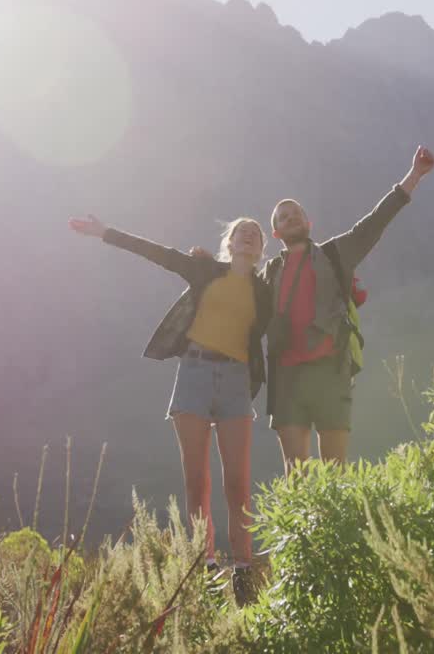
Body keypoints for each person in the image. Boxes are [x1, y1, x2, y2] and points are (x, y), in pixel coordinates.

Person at [68, 213, 271, 604]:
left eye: (256, 235)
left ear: (261, 250)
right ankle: (205, 569)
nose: (248, 236)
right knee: (197, 481)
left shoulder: (264, 292)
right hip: (193, 374)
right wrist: (104, 232)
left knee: (238, 484)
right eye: (242, 232)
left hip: (235, 383)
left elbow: (292, 314)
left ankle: (243, 573)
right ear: (229, 243)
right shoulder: (206, 270)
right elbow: (157, 253)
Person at [263, 145, 434, 472]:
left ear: (307, 221)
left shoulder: (334, 254)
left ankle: (340, 524)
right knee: (295, 473)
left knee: (335, 470)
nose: (291, 218)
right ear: (277, 233)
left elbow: (374, 223)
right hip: (286, 378)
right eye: (283, 218)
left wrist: (414, 175)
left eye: (295, 213)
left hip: (331, 370)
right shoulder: (270, 273)